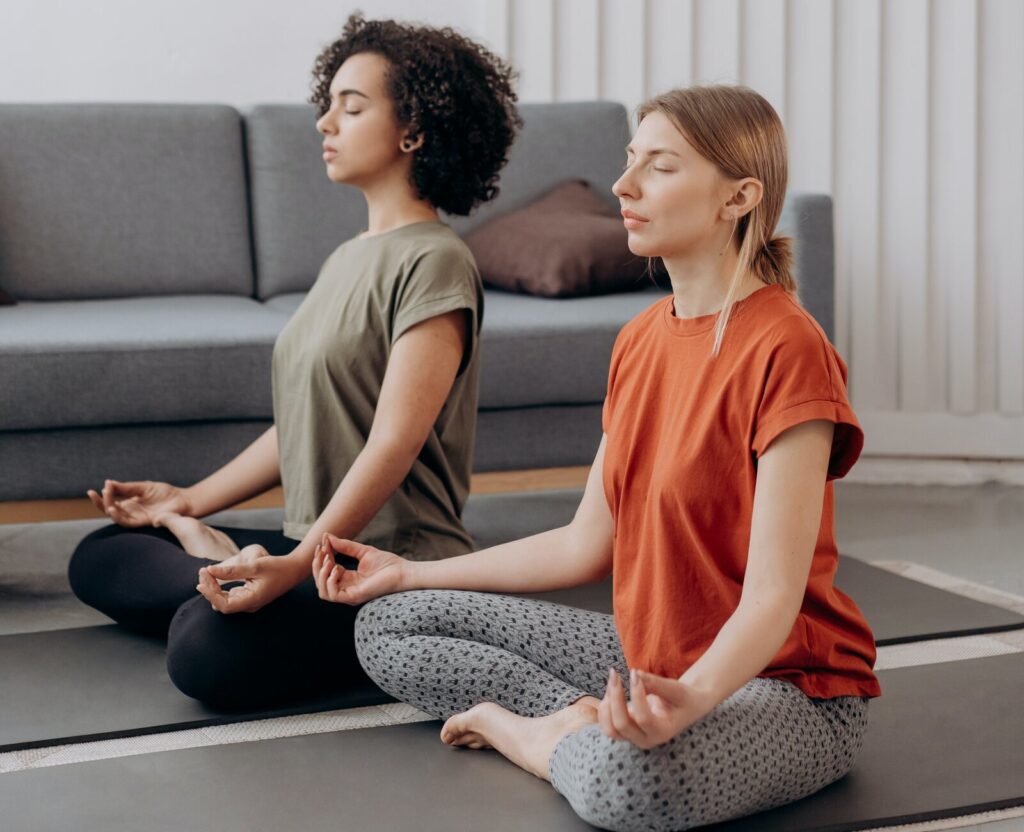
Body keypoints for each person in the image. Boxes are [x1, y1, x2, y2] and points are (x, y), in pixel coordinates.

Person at [309, 85, 881, 831]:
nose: (624, 185)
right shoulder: (640, 339)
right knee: (389, 623)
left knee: (633, 786)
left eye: (661, 167)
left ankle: (543, 735)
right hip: (651, 653)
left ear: (738, 197)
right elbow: (587, 544)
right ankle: (585, 719)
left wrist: (694, 702)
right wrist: (410, 571)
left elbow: (773, 600)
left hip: (785, 689)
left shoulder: (788, 349)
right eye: (629, 159)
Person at [67, 13, 520, 709]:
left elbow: (393, 441)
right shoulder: (346, 258)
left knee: (203, 652)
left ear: (414, 130)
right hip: (311, 543)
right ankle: (225, 567)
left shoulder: (436, 261)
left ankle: (234, 580)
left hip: (388, 561)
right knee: (99, 552)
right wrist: (188, 501)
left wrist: (301, 566)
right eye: (328, 102)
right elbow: (305, 422)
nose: (324, 122)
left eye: (352, 104)